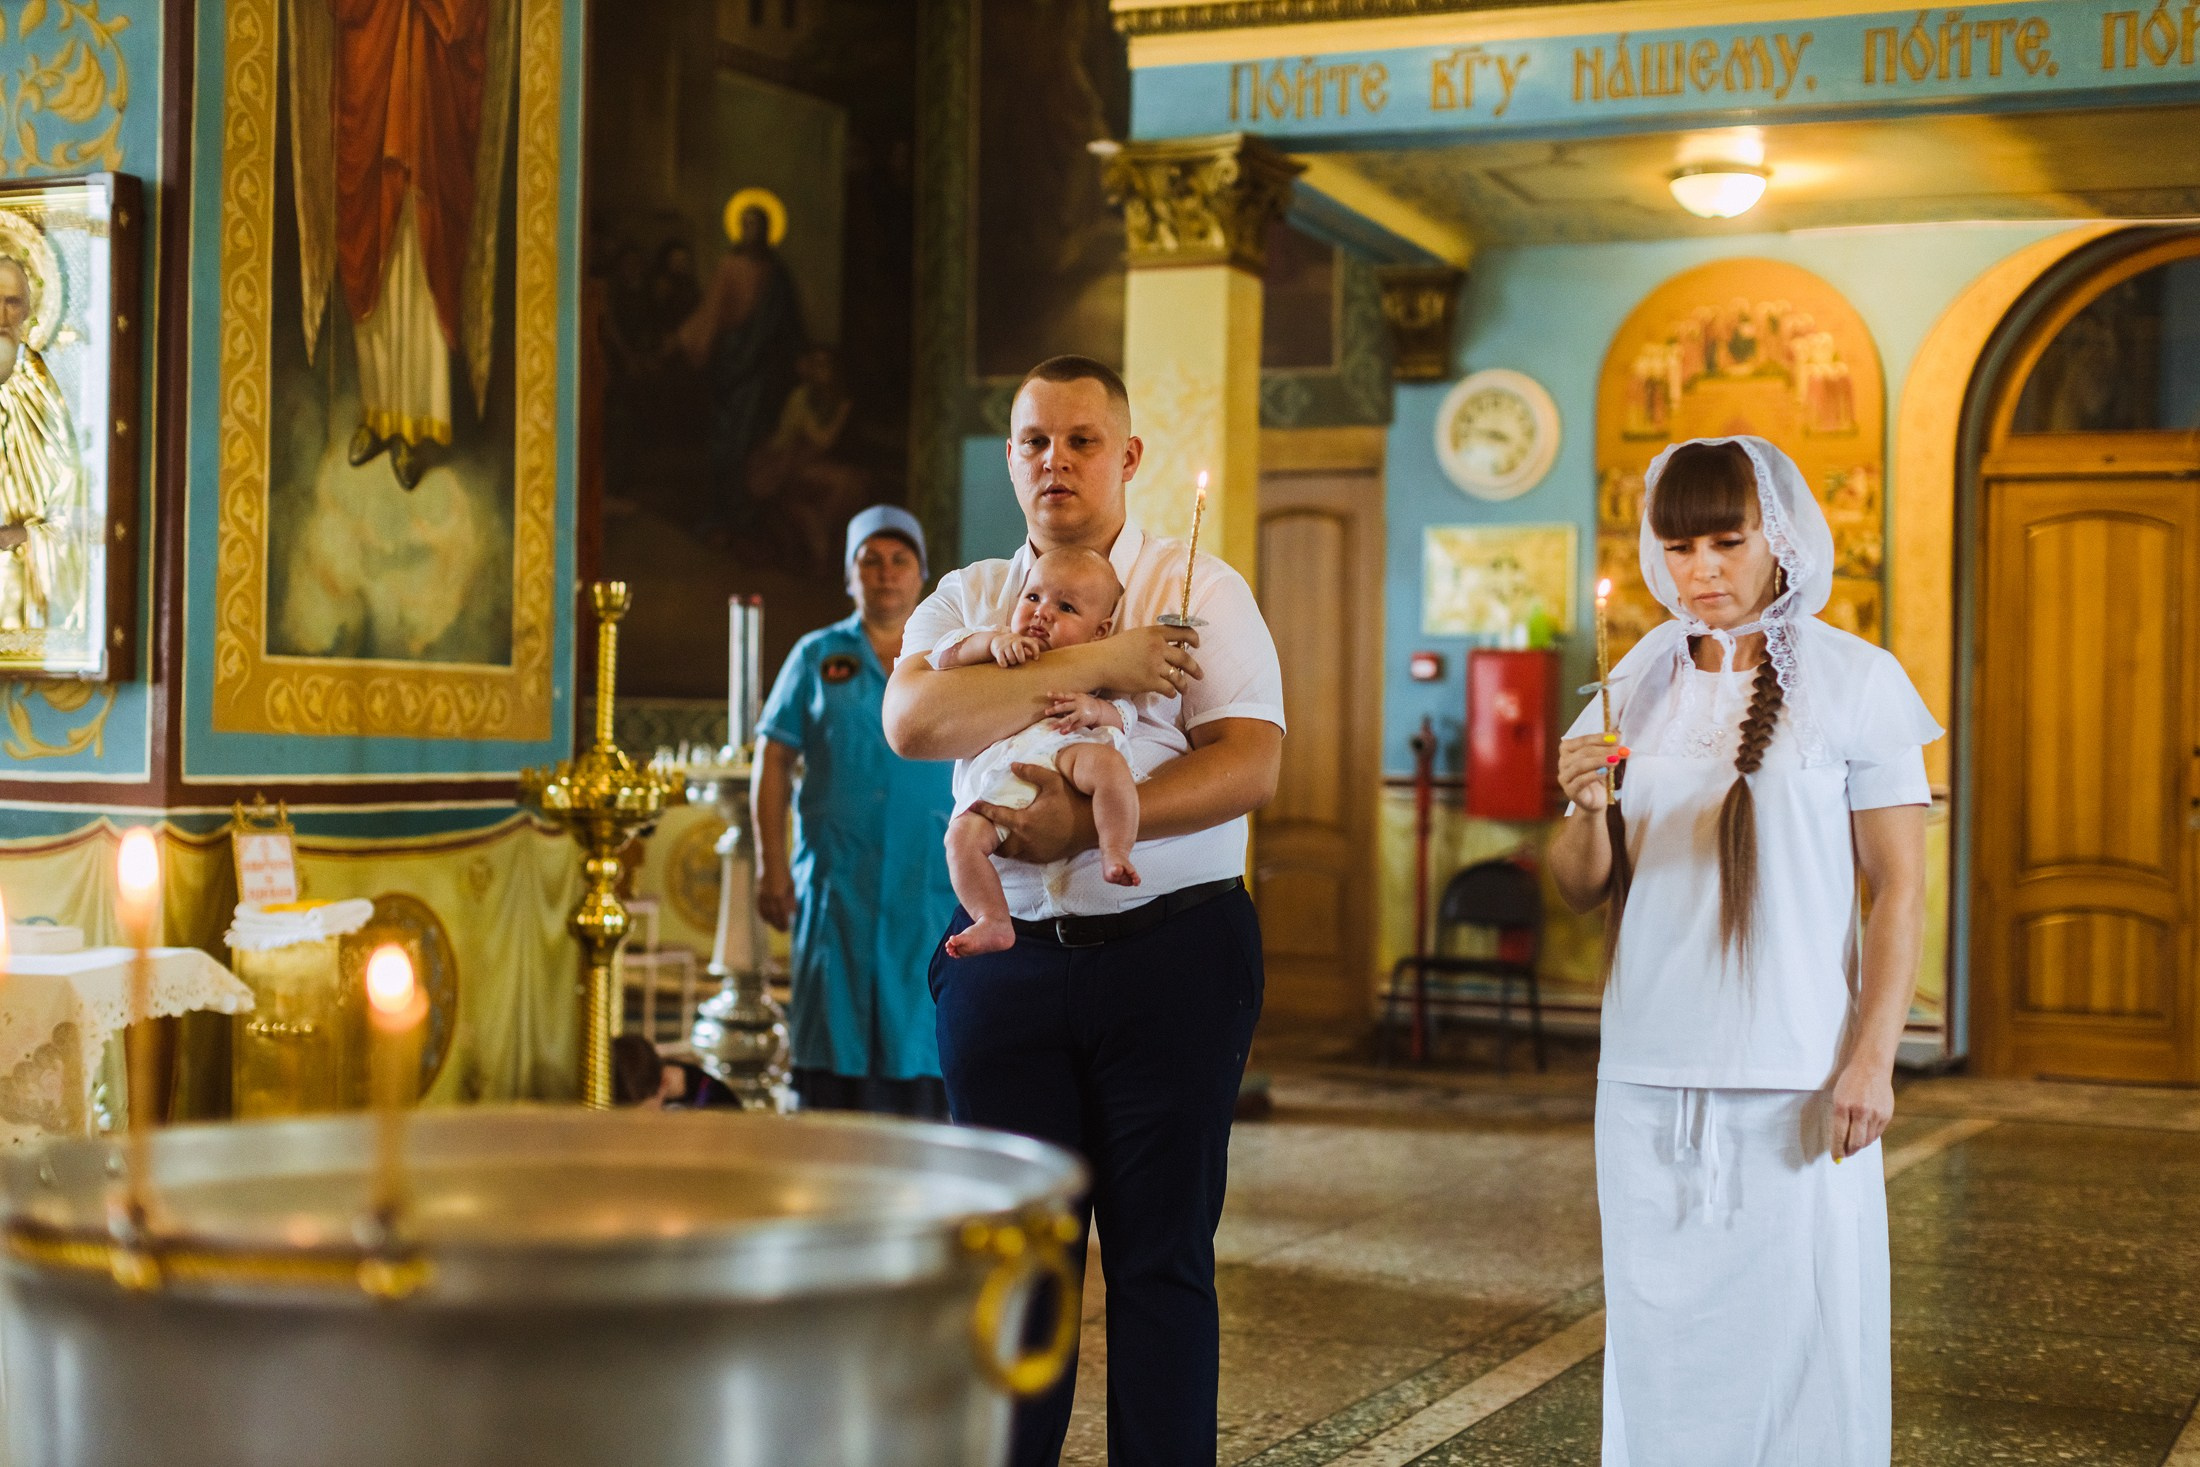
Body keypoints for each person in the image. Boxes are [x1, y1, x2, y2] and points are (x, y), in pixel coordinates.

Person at [883, 356, 1284, 1467]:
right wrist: (1111, 659)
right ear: (1010, 456)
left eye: (1080, 439)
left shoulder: (1197, 586)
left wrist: (1109, 822)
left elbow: (1249, 763)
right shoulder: (969, 596)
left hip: (1173, 952)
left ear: (1128, 455)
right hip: (1005, 963)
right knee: (1019, 1260)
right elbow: (916, 721)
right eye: (1031, 441)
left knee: (1158, 1259)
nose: (1053, 461)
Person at [1546, 436, 1938, 1467]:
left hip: (1794, 1070)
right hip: (1643, 1070)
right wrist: (1584, 806)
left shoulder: (1858, 682)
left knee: (1803, 1338)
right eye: (1678, 548)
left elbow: (1898, 889)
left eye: (1727, 540)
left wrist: (1869, 1058)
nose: (1701, 571)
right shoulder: (1632, 682)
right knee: (1658, 1343)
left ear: (1780, 537)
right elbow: (1583, 883)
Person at [754, 505, 956, 1118]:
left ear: (921, 574)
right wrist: (772, 867)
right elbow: (773, 760)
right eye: (870, 560)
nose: (886, 573)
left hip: (931, 885)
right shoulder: (817, 656)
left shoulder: (950, 658)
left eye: (900, 560)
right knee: (833, 1021)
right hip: (837, 881)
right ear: (849, 575)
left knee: (924, 1029)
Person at [933, 546, 1144, 957]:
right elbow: (943, 657)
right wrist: (990, 644)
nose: (1042, 612)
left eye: (1065, 606)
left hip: (1064, 746)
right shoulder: (998, 650)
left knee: (1109, 767)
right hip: (1002, 776)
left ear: (1099, 633)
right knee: (960, 840)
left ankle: (1116, 847)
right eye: (1033, 597)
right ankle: (992, 919)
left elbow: (1125, 716)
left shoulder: (1090, 666)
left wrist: (1093, 709)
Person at [0, 255, 87, 632]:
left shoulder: (47, 392)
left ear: (29, 309)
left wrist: (26, 536)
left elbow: (75, 489)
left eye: (12, 301)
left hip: (27, 578)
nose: (1, 314)